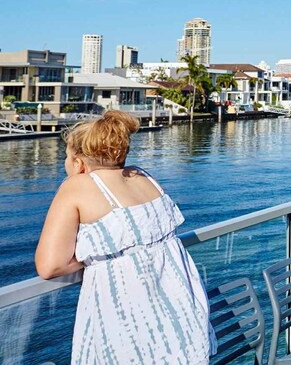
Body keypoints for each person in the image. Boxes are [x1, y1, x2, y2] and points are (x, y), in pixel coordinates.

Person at [35, 111, 215, 364]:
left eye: (66, 155)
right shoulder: (143, 177)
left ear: (78, 161)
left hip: (128, 314)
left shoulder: (76, 186)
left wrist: (96, 258)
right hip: (178, 309)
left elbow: (50, 265)